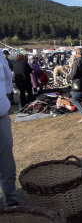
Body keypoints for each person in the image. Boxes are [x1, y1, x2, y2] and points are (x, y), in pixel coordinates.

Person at [0, 48, 19, 207]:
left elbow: (7, 76)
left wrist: (4, 100)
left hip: (2, 119)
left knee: (7, 166)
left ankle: (12, 204)